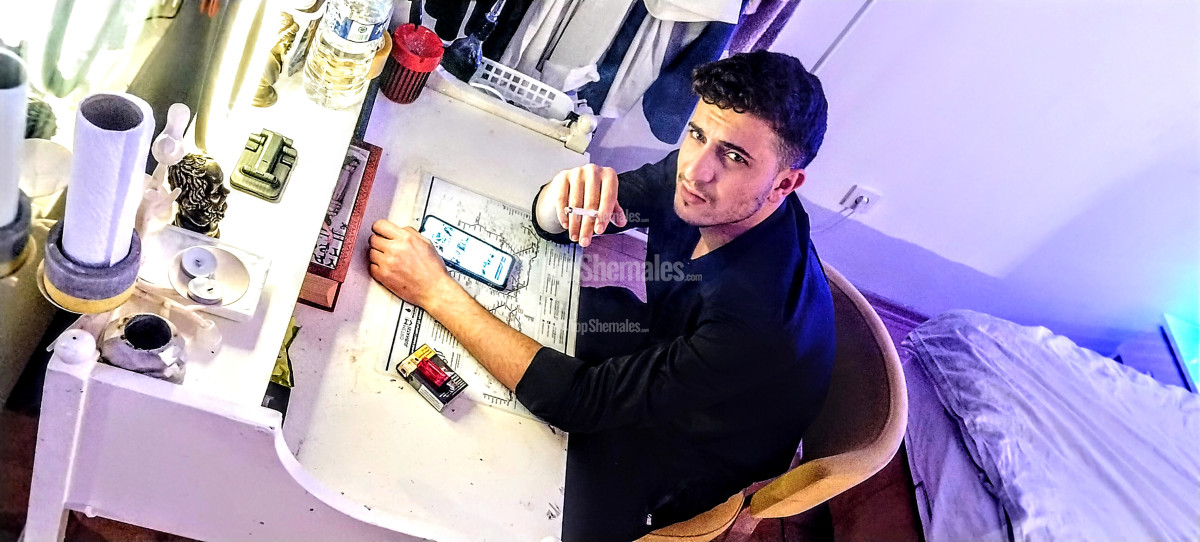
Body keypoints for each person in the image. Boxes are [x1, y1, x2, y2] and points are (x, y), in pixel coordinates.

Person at [368, 50, 836, 541]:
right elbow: (564, 220)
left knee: (480, 486)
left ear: (785, 183)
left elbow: (578, 401)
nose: (696, 170)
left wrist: (435, 290)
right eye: (697, 134)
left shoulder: (759, 322)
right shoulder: (705, 181)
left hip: (682, 453)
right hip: (665, 343)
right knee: (514, 322)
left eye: (734, 157)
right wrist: (564, 196)